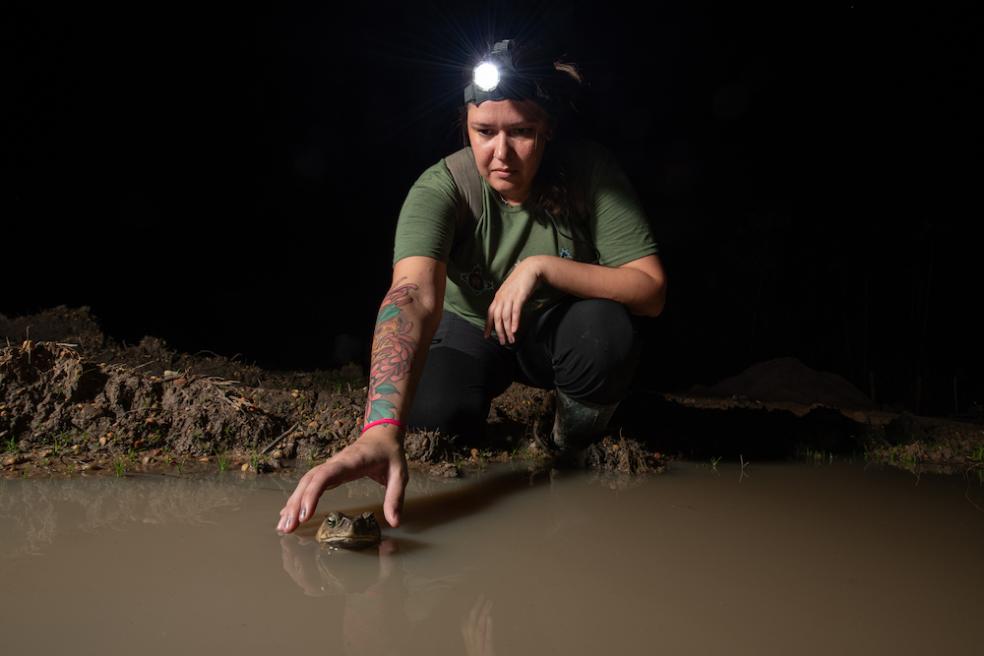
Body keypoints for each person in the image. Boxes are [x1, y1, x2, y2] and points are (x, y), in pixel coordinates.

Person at [277, 38, 666, 535]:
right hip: (472, 329)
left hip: (559, 327)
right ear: (465, 124)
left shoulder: (589, 171)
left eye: (521, 132)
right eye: (484, 132)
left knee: (606, 335)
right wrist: (379, 430)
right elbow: (412, 295)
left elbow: (650, 291)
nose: (500, 153)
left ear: (548, 128)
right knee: (433, 413)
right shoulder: (442, 187)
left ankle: (568, 443)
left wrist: (542, 268)